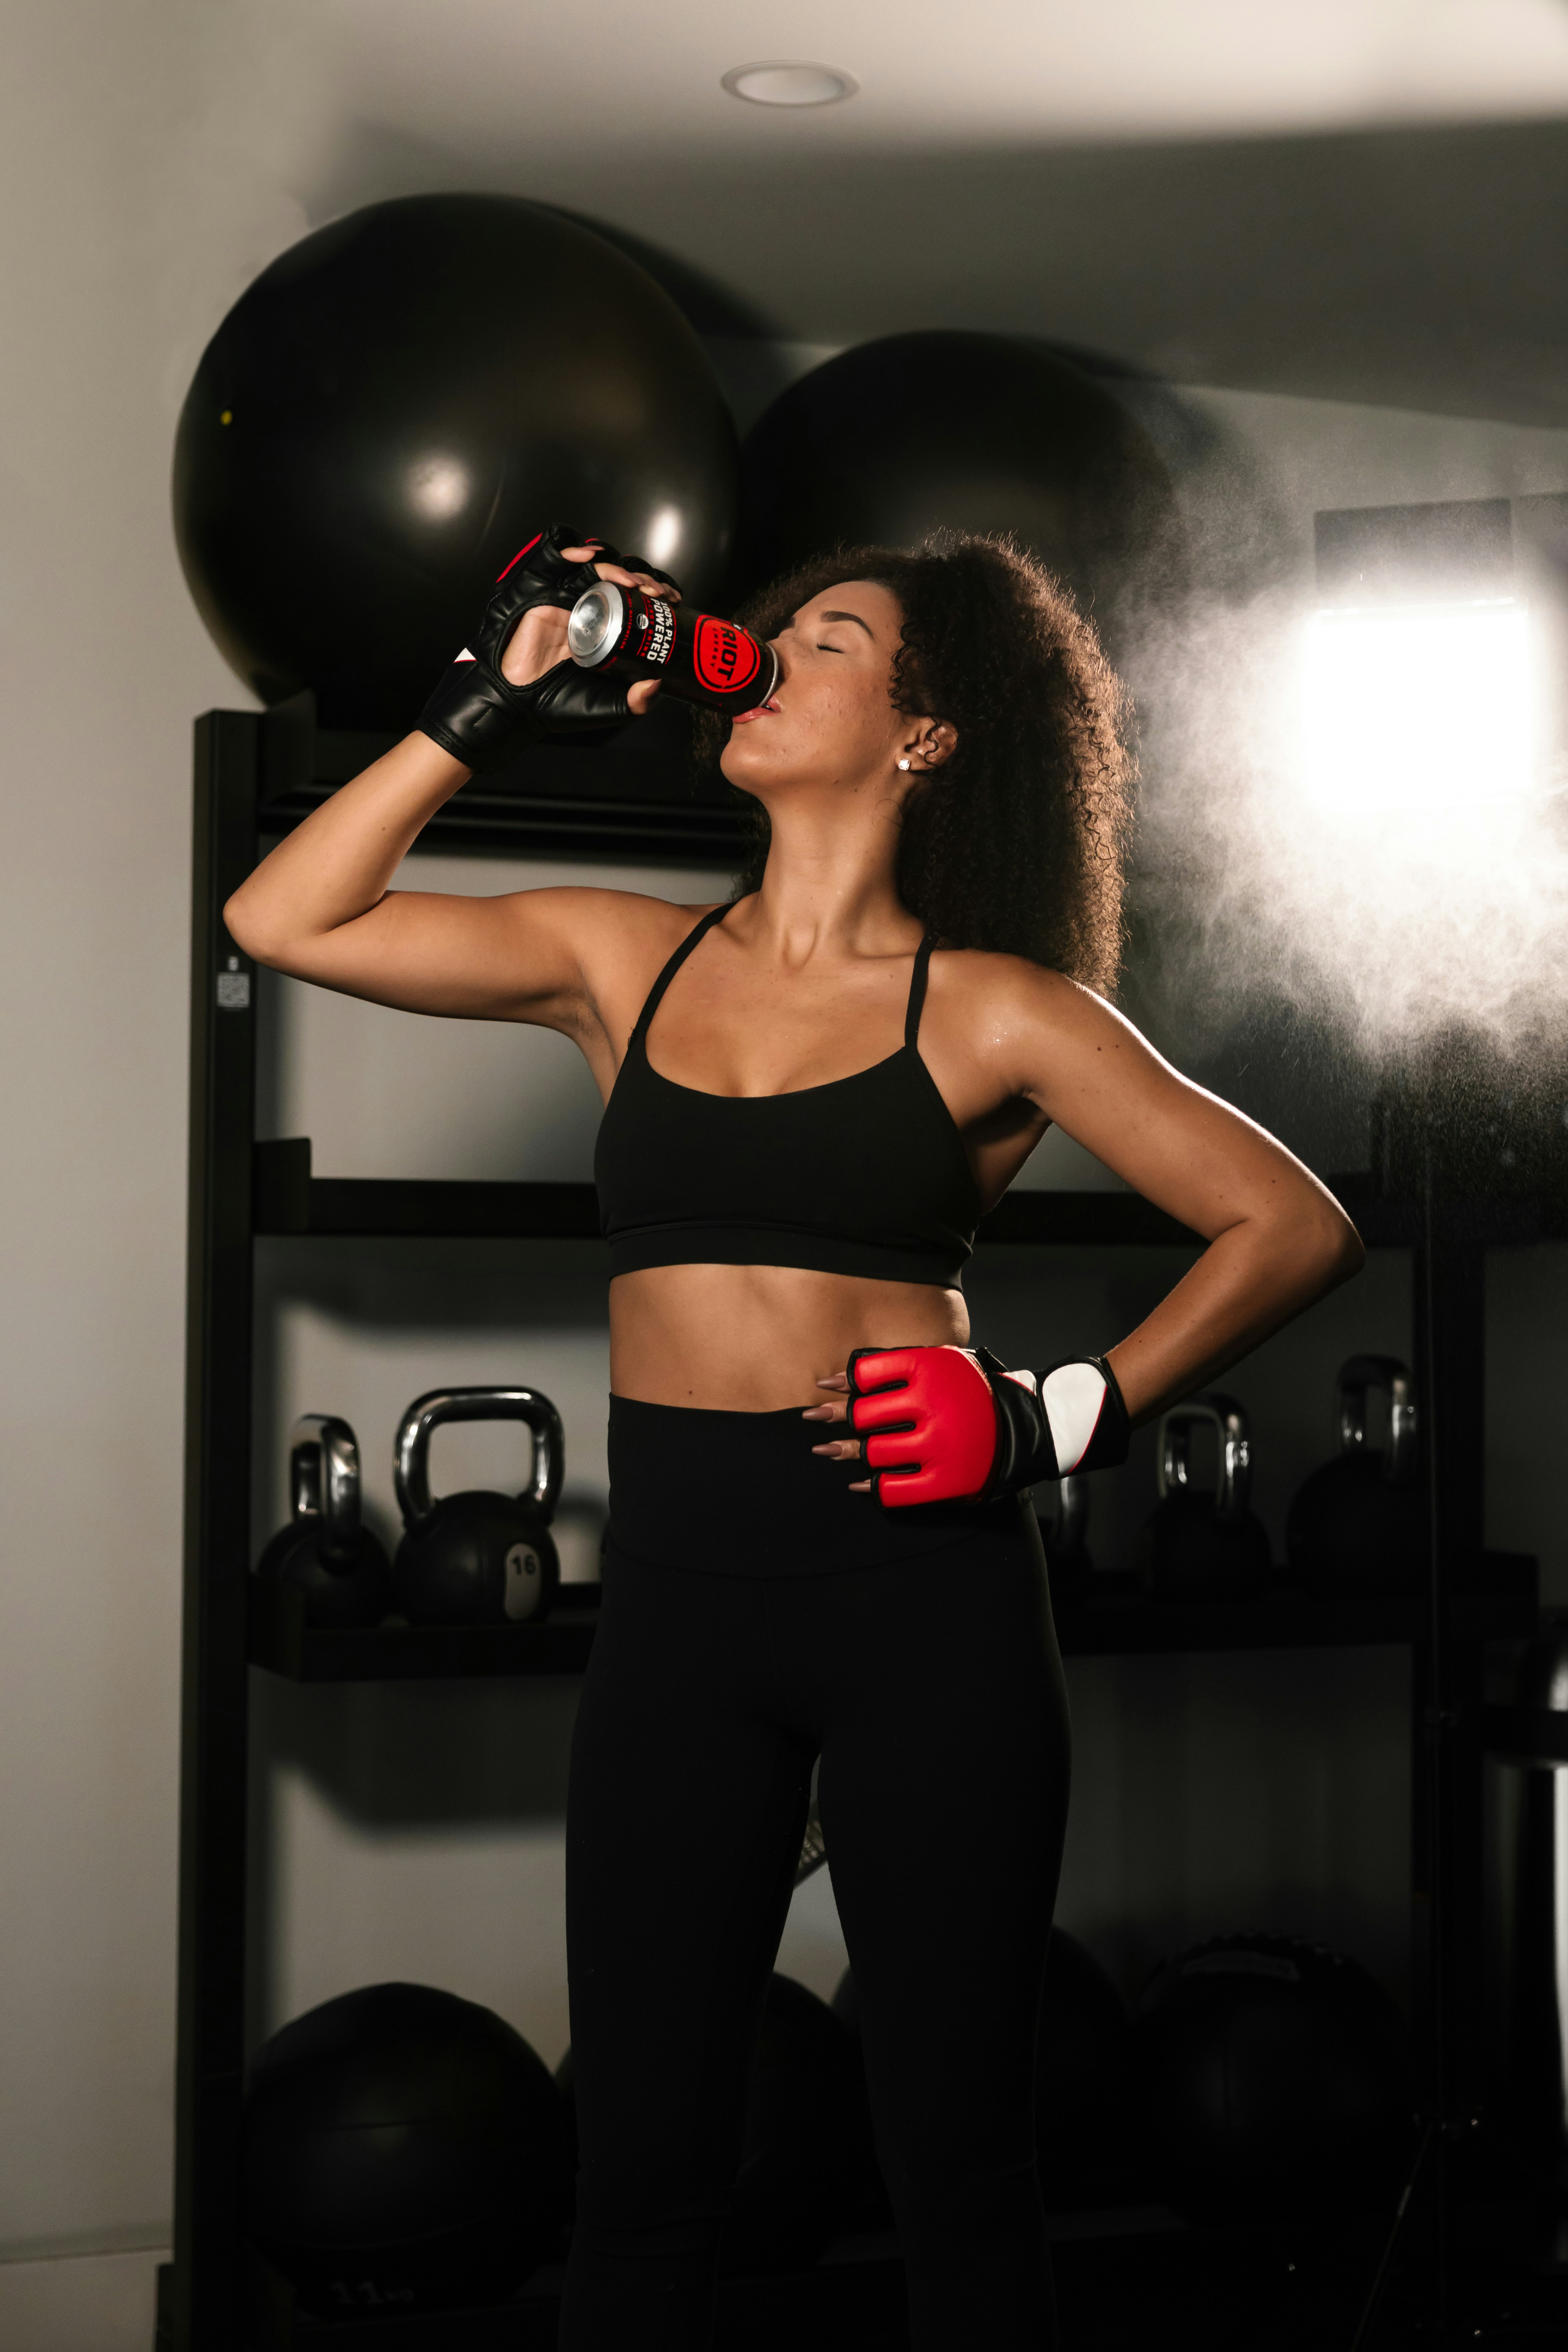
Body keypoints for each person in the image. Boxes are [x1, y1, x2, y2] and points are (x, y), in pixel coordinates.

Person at [225, 526, 1363, 2349]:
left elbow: (1290, 1222)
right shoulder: (621, 955)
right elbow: (281, 918)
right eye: (770, 631)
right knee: (639, 2172)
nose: (763, 655)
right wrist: (484, 701)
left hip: (923, 1599)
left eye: (825, 640)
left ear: (924, 732)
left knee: (957, 2170)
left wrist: (1049, 1415)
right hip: (680, 1601)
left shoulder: (995, 1005)